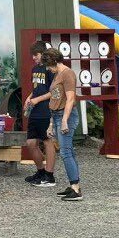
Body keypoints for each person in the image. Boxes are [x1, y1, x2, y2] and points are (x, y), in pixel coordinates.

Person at [44, 48, 82, 201]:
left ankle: (75, 189)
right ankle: (74, 185)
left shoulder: (68, 74)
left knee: (65, 152)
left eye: (48, 65)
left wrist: (65, 120)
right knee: (68, 151)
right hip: (57, 115)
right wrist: (51, 124)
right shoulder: (57, 75)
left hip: (65, 115)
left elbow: (70, 99)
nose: (48, 68)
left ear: (53, 61)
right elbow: (54, 99)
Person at [23, 40, 56, 187]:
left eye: (36, 55)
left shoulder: (50, 69)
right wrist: (29, 98)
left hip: (45, 110)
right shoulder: (35, 69)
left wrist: (37, 99)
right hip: (34, 110)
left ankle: (50, 175)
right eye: (33, 55)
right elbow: (37, 88)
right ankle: (41, 171)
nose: (33, 58)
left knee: (47, 141)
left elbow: (53, 91)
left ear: (43, 54)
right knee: (31, 143)